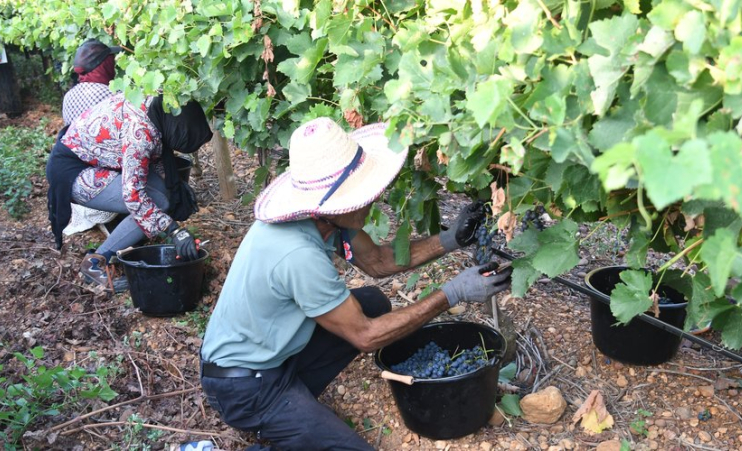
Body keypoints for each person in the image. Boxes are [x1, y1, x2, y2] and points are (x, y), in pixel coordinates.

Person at [200, 117, 512, 450]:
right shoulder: (297, 254)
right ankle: (280, 421)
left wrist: (450, 239)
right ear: (331, 202)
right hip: (245, 389)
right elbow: (366, 336)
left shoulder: (324, 220)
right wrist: (453, 293)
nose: (372, 199)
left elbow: (377, 261)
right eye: (362, 193)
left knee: (374, 303)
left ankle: (297, 409)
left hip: (273, 357)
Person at [46, 93, 213, 292]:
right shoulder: (140, 133)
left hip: (100, 159)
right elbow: (134, 197)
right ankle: (95, 262)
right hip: (72, 170)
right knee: (158, 203)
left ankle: (128, 238)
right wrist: (174, 231)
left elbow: (155, 157)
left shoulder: (157, 102)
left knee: (164, 198)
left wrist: (175, 186)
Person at [61, 38, 122, 237]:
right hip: (104, 173)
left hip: (76, 172)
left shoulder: (70, 95)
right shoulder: (112, 94)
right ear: (104, 66)